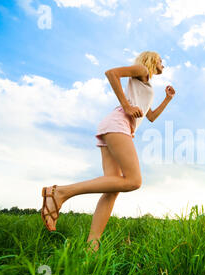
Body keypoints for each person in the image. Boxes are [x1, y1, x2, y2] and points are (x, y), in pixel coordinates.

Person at [40, 51, 176, 252]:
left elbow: (151, 116)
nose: (163, 64)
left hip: (117, 127)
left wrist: (168, 99)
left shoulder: (147, 84)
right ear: (152, 59)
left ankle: (91, 247)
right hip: (118, 124)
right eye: (161, 60)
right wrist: (127, 106)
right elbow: (111, 73)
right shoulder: (142, 70)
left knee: (112, 189)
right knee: (134, 181)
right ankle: (60, 192)